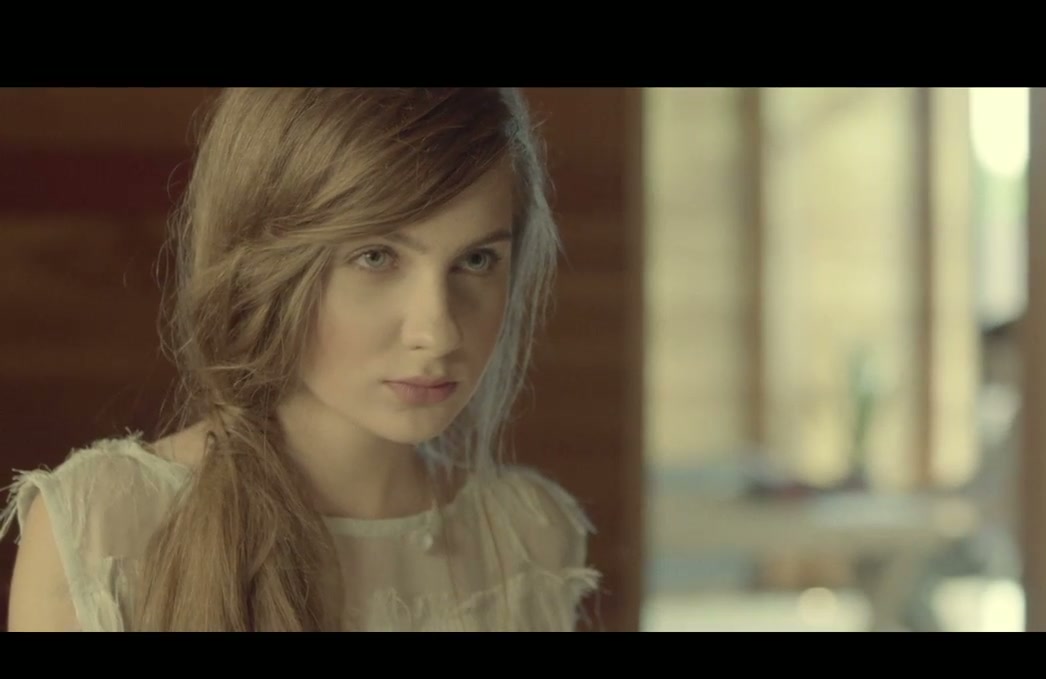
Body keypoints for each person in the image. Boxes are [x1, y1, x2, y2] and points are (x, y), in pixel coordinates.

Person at [1, 87, 601, 632]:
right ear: (267, 269)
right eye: (375, 257)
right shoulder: (103, 531)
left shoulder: (533, 539)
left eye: (476, 261)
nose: (438, 333)